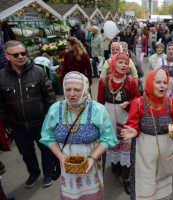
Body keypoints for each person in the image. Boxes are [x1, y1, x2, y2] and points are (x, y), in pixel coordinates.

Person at [40, 71, 117, 199]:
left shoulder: (97, 109)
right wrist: (61, 157)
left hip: (91, 163)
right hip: (66, 166)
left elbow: (108, 138)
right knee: (71, 194)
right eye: (68, 89)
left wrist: (92, 158)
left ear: (85, 89)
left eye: (77, 89)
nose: (71, 94)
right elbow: (47, 136)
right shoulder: (56, 109)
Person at [121, 68, 173, 200]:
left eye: (164, 82)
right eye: (158, 82)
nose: (162, 85)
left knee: (163, 175)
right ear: (151, 83)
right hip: (144, 152)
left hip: (166, 149)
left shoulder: (172, 102)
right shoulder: (139, 102)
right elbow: (133, 125)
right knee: (146, 180)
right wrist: (133, 131)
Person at [0, 40, 56, 187]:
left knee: (46, 150)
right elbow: (1, 104)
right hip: (17, 126)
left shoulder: (38, 71)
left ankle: (48, 173)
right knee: (27, 154)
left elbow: (50, 97)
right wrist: (6, 123)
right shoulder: (2, 76)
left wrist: (51, 118)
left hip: (41, 122)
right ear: (7, 56)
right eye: (16, 54)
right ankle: (34, 172)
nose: (21, 56)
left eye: (23, 53)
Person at [97, 53, 140, 194]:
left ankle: (126, 178)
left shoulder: (131, 82)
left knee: (125, 147)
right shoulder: (104, 81)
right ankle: (115, 167)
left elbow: (138, 100)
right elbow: (99, 103)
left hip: (125, 117)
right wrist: (100, 121)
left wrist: (129, 102)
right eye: (120, 62)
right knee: (112, 144)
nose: (123, 65)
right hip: (108, 117)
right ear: (113, 63)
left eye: (126, 63)